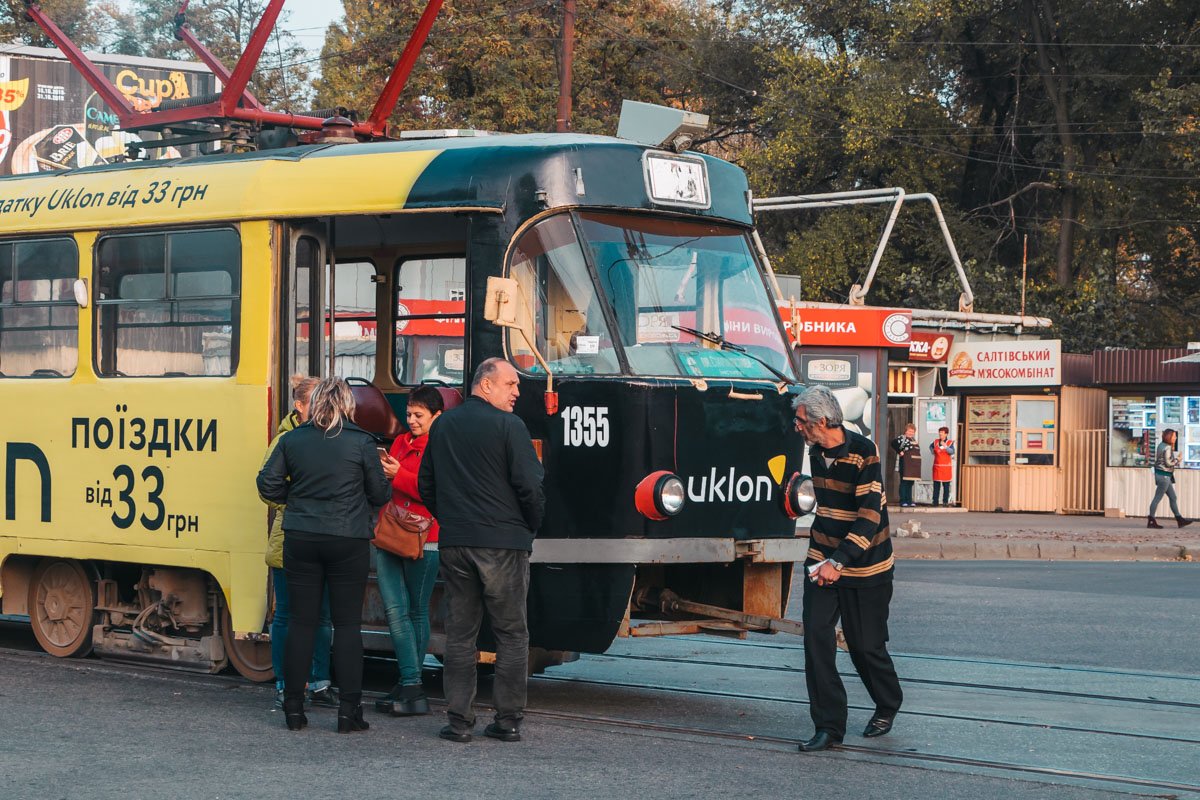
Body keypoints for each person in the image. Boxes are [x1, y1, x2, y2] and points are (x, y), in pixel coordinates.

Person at [418, 357, 545, 744]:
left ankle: (459, 722)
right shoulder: (511, 427)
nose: (517, 392)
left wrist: (453, 520)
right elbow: (530, 486)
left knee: (460, 635)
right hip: (504, 545)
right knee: (511, 635)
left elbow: (427, 484)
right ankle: (507, 721)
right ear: (485, 385)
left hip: (456, 544)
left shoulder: (444, 427)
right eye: (510, 385)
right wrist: (529, 527)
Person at [257, 377, 391, 733]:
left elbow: (266, 484)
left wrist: (297, 502)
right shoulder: (361, 442)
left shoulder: (292, 440)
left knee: (301, 621)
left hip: (301, 538)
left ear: (314, 404)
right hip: (347, 539)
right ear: (348, 404)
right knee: (346, 625)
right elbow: (379, 494)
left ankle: (294, 711)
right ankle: (349, 714)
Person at [793, 385, 902, 753]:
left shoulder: (863, 451)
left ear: (820, 422)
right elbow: (827, 512)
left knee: (864, 645)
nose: (797, 427)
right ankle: (828, 727)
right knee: (816, 641)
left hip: (866, 563)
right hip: (822, 561)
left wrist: (839, 561)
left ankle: (888, 702)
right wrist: (823, 562)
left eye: (801, 421)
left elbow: (869, 516)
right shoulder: (815, 451)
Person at [260, 375, 337, 710]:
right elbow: (267, 486)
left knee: (319, 614)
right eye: (316, 402)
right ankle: (285, 681)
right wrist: (301, 502)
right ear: (300, 406)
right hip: (290, 536)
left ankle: (319, 682)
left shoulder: (323, 434)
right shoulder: (286, 439)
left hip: (309, 535)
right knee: (289, 613)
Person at [374, 385, 445, 717]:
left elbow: (434, 491)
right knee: (396, 610)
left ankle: (409, 684)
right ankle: (410, 683)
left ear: (436, 416)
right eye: (409, 415)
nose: (412, 421)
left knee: (415, 612)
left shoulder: (440, 445)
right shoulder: (401, 441)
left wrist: (396, 473)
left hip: (425, 536)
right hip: (392, 533)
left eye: (419, 416)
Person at [1148, 428, 1192, 529]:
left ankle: (1179, 519)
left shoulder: (1161, 445)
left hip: (1162, 475)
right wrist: (1178, 460)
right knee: (1157, 498)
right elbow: (1168, 463)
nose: (1176, 438)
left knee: (1173, 497)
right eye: (1174, 436)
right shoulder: (1167, 447)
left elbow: (1163, 460)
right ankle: (1151, 520)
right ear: (1169, 437)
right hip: (1164, 476)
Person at [890, 423, 921, 507]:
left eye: (912, 431)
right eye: (909, 431)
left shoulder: (914, 440)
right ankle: (903, 500)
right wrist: (899, 451)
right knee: (904, 482)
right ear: (906, 431)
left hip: (912, 466)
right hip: (904, 464)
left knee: (910, 483)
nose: (911, 433)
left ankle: (909, 500)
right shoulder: (902, 438)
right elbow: (893, 443)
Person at [929, 426, 955, 507]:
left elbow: (952, 452)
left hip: (946, 468)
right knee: (936, 485)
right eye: (940, 432)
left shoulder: (950, 443)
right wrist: (933, 452)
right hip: (937, 466)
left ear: (946, 434)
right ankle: (935, 501)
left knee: (946, 486)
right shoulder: (936, 441)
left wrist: (946, 446)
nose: (940, 434)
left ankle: (945, 502)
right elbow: (931, 447)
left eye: (942, 432)